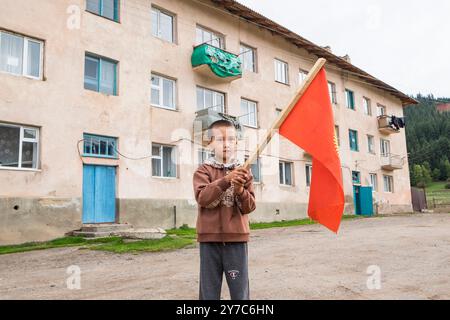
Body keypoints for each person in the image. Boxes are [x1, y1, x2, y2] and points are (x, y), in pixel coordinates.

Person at [193, 119, 256, 300]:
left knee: (240, 291)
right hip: (209, 240)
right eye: (220, 140)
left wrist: (239, 190)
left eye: (231, 139)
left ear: (236, 142)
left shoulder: (245, 172)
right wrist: (226, 180)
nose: (226, 144)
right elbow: (203, 198)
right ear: (210, 143)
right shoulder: (203, 171)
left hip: (236, 239)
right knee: (209, 292)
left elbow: (249, 206)